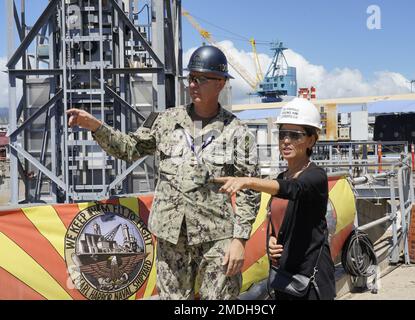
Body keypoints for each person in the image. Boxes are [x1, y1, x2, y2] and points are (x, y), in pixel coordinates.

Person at [66, 45, 260, 300]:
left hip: (217, 238)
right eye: (191, 78)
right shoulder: (165, 121)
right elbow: (129, 148)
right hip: (171, 238)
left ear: (221, 83)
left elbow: (249, 190)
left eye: (201, 79)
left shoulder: (237, 132)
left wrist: (240, 240)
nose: (193, 85)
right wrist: (97, 126)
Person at [214, 97, 335, 300]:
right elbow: (276, 217)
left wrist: (249, 181)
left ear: (311, 140)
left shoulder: (316, 176)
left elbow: (293, 189)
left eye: (295, 135)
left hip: (309, 280)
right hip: (283, 277)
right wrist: (272, 238)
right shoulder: (281, 177)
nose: (286, 140)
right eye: (282, 134)